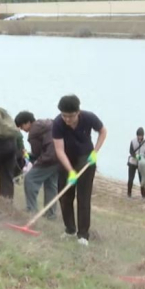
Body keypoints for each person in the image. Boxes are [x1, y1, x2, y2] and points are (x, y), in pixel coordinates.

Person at [52, 95, 107, 246]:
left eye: (70, 116)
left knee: (83, 197)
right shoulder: (57, 123)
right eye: (64, 116)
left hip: (85, 158)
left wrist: (95, 151)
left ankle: (83, 235)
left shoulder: (89, 118)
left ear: (78, 112)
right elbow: (59, 150)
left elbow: (103, 131)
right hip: (66, 159)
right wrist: (70, 171)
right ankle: (70, 229)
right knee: (64, 196)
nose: (67, 120)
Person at [15, 111, 58, 218]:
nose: (21, 129)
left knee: (30, 179)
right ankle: (50, 214)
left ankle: (31, 209)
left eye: (21, 126)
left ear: (28, 122)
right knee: (51, 185)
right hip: (61, 156)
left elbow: (37, 153)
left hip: (49, 158)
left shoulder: (33, 133)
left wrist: (30, 159)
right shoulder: (47, 123)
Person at [127, 127, 145, 199]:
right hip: (132, 162)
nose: (139, 137)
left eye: (141, 136)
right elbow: (131, 151)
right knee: (130, 179)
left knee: (142, 181)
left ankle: (143, 196)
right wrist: (136, 156)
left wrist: (144, 158)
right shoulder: (133, 141)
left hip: (141, 164)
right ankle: (129, 194)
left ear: (143, 135)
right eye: (138, 135)